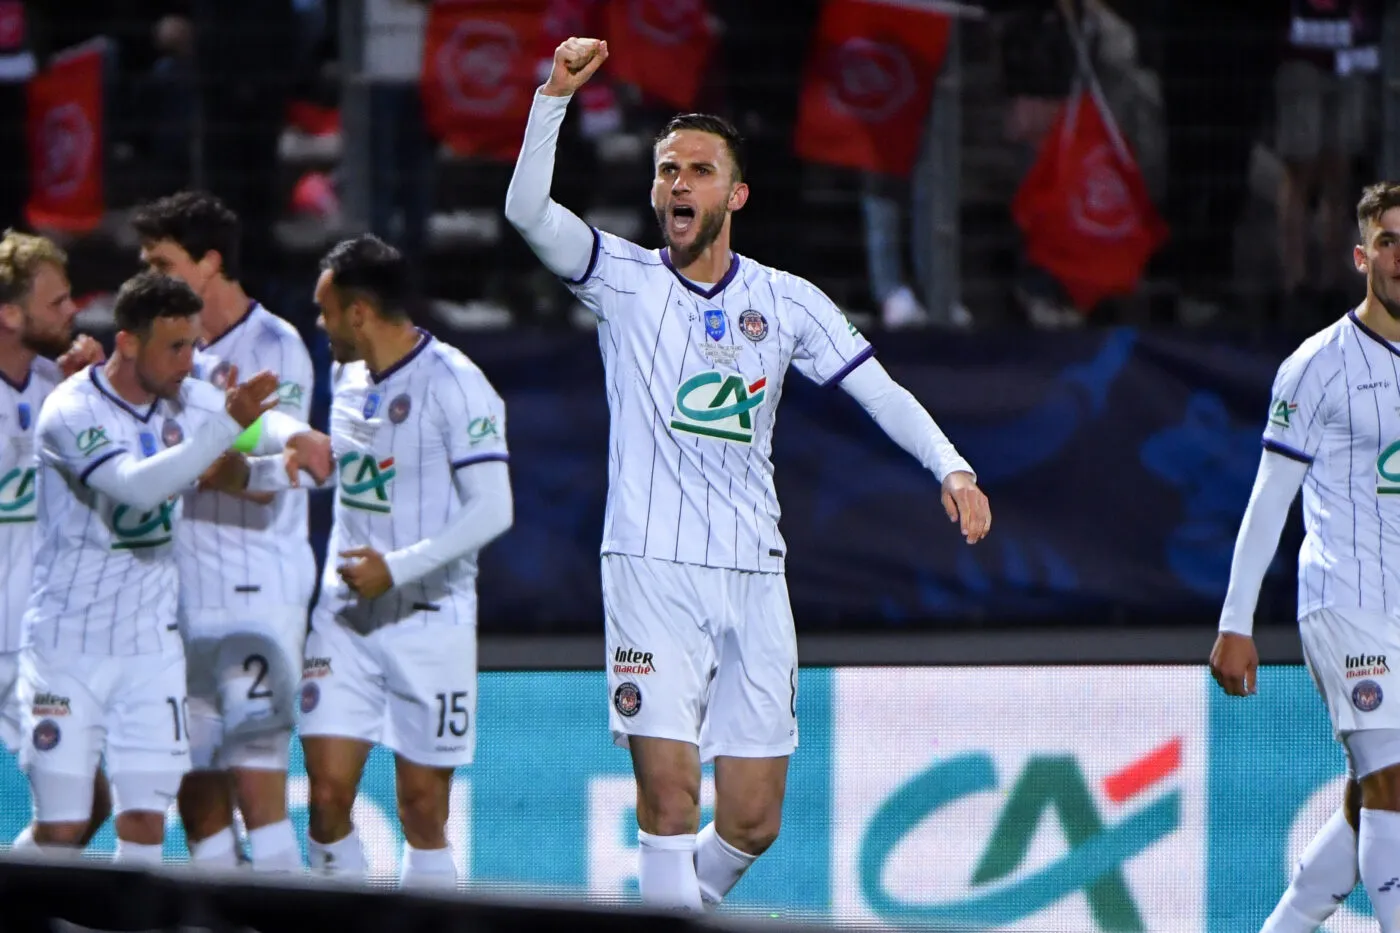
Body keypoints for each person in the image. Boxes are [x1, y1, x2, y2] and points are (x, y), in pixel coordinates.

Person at [504, 37, 991, 911]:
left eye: (698, 170)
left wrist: (951, 466)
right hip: (650, 567)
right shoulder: (620, 279)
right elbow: (527, 212)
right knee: (668, 798)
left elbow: (877, 390)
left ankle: (670, 910)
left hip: (754, 572)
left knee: (755, 820)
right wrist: (554, 98)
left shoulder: (788, 300)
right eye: (667, 170)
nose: (678, 184)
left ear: (736, 195)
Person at [215, 234, 514, 887]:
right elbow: (349, 475)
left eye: (325, 311)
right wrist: (255, 471)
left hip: (430, 618)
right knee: (325, 798)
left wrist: (396, 568)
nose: (319, 325)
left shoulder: (457, 384)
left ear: (358, 312)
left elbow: (494, 509)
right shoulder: (347, 376)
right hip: (344, 619)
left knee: (422, 811)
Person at [14, 270, 279, 863]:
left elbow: (265, 436)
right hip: (67, 649)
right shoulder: (71, 410)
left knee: (144, 825)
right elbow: (135, 489)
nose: (189, 362)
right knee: (64, 826)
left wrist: (299, 449)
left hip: (151, 650)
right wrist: (226, 428)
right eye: (175, 347)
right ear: (129, 342)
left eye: (194, 345)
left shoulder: (188, 398)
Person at [1211, 181, 1400, 932]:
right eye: (1387, 241)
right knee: (1392, 780)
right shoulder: (1316, 366)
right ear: (1361, 257)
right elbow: (1269, 501)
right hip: (1343, 601)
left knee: (1370, 795)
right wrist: (1235, 622)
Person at [132, 190, 324, 871]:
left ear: (209, 262)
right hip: (177, 593)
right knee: (196, 786)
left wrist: (206, 464)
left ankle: (286, 910)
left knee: (256, 782)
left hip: (256, 588)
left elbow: (279, 473)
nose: (149, 276)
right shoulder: (161, 353)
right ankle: (216, 912)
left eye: (162, 262)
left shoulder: (275, 346)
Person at [0, 229, 111, 849]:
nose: (74, 311)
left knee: (82, 809)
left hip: (37, 641)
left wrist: (97, 397)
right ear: (10, 315)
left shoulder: (64, 389)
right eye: (57, 301)